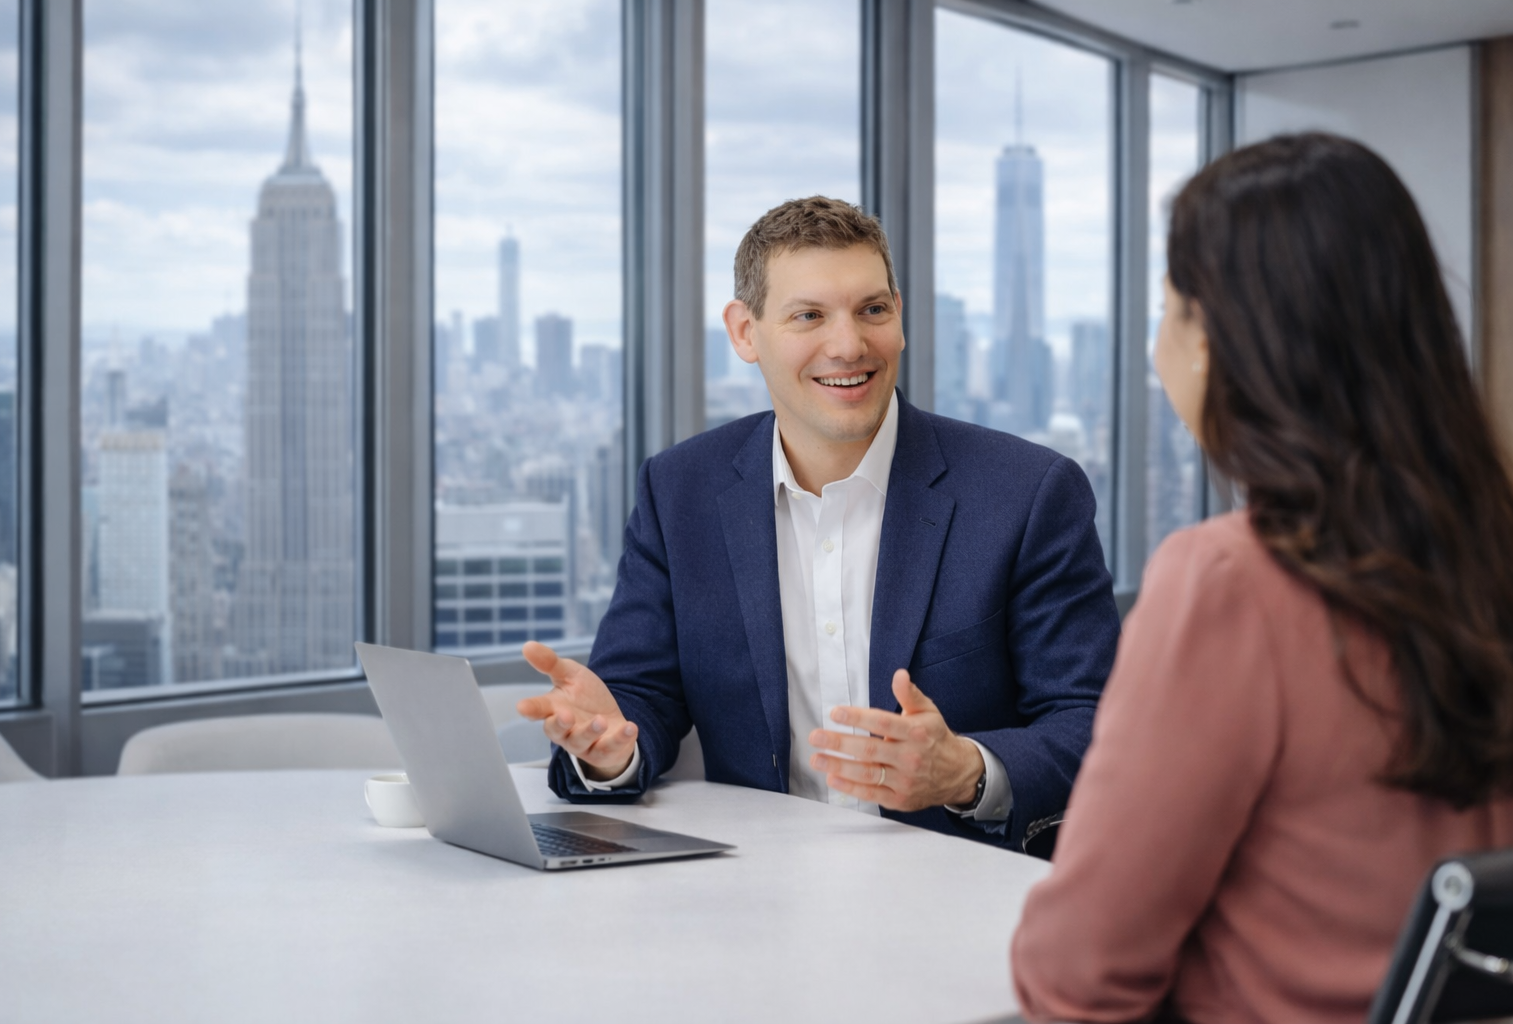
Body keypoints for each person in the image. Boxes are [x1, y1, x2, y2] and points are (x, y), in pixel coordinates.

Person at [1011, 132, 1513, 1022]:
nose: (1158, 351)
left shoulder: (1230, 583)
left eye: (1168, 312)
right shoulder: (1486, 553)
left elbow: (1078, 974)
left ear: (1217, 340)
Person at [515, 196, 1119, 848]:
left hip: (966, 892)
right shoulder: (681, 490)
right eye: (809, 316)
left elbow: (1095, 723)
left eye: (873, 311)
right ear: (745, 332)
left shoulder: (1025, 494)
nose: (848, 345)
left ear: (900, 318)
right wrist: (609, 747)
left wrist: (966, 772)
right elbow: (639, 698)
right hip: (758, 891)